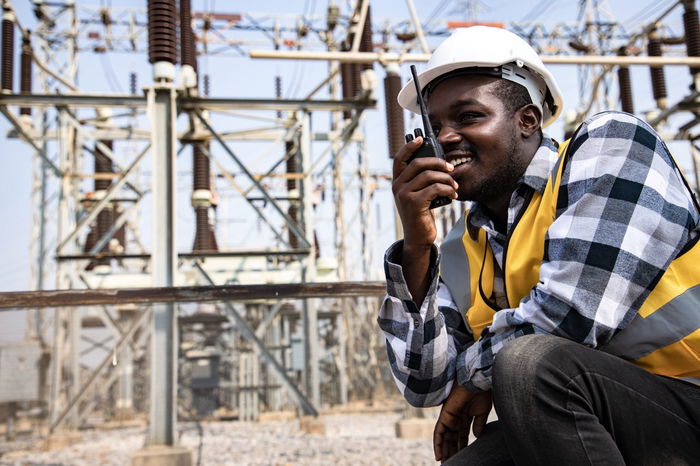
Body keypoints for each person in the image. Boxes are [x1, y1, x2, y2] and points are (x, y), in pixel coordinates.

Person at [378, 26, 700, 465]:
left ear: (527, 120)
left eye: (468, 117)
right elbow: (425, 384)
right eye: (433, 127)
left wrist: (473, 377)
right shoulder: (458, 249)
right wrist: (416, 246)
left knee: (528, 363)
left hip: (688, 405)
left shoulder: (613, 147)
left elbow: (570, 314)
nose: (446, 137)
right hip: (594, 415)